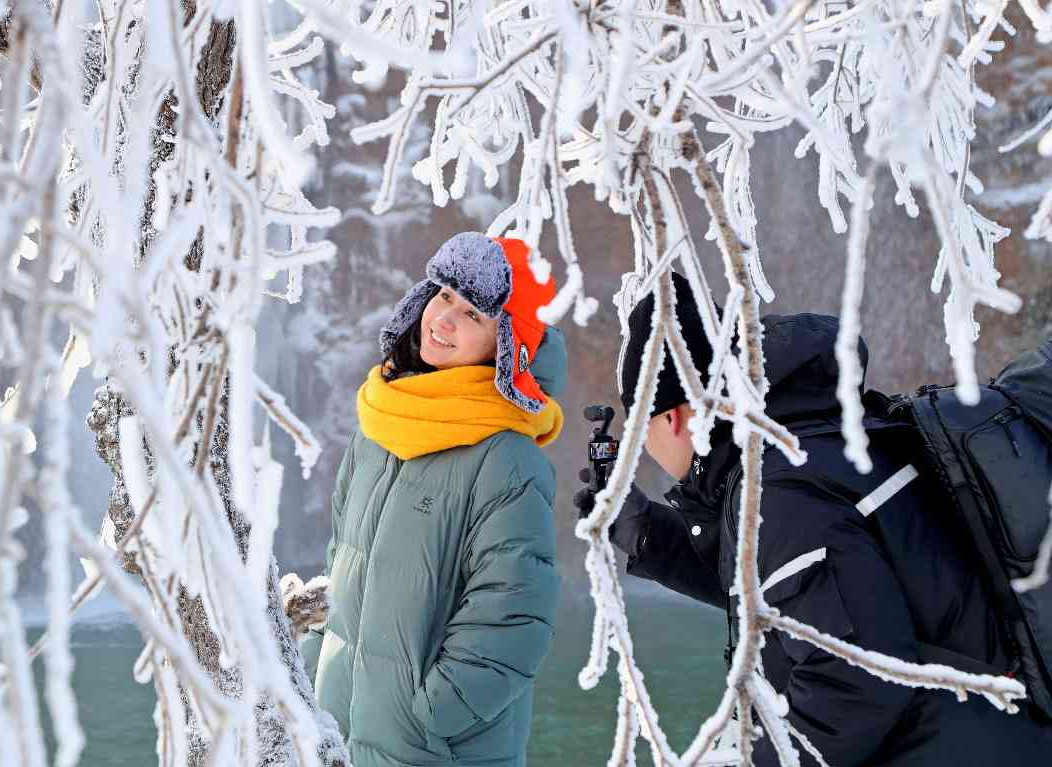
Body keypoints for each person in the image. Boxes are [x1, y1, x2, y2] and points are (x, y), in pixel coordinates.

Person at [577, 273, 1052, 766]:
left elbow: (852, 684)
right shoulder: (806, 444)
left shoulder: (781, 490)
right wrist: (648, 535)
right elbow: (805, 599)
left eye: (637, 425)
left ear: (669, 416)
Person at [302, 232, 566, 767]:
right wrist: (312, 672)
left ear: (506, 344)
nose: (442, 320)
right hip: (338, 732)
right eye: (443, 295)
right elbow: (341, 566)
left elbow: (513, 616)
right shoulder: (378, 428)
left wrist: (430, 718)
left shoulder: (506, 459)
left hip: (435, 750)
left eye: (472, 315)